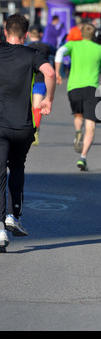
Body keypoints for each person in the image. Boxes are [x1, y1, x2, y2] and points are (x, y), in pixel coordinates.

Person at [0, 14, 56, 251]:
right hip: (23, 126)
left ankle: (0, 229)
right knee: (18, 167)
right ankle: (13, 215)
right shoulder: (33, 54)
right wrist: (48, 100)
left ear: (5, 31)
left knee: (0, 173)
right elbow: (51, 73)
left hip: (0, 125)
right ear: (25, 34)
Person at [55, 23, 101, 171]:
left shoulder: (73, 45)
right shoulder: (100, 49)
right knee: (90, 125)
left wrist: (58, 72)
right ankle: (83, 157)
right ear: (94, 35)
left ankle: (78, 132)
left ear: (81, 33)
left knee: (78, 114)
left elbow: (59, 53)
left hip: (73, 88)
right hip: (92, 88)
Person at [26, 26, 57, 145]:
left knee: (26, 106)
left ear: (28, 34)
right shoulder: (47, 46)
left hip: (27, 80)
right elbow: (58, 53)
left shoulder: (26, 46)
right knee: (37, 107)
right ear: (40, 34)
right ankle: (35, 131)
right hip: (41, 79)